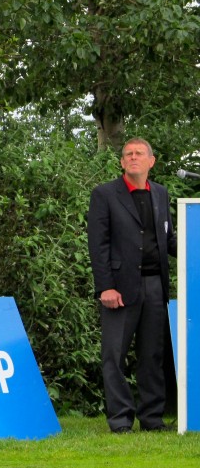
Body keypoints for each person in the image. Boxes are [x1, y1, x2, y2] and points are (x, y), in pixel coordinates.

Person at [87, 137, 177, 433]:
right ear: (122, 162)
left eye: (139, 153)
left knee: (152, 355)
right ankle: (121, 420)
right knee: (114, 356)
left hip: (155, 286)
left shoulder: (160, 193)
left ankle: (152, 419)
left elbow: (169, 240)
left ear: (152, 161)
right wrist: (105, 287)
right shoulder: (104, 194)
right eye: (128, 154)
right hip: (120, 288)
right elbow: (97, 245)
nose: (133, 157)